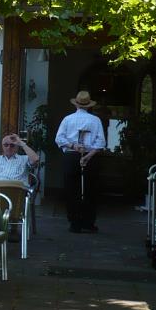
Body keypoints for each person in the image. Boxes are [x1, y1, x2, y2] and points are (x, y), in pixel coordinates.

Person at [55, 90, 105, 233]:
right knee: (91, 189)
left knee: (71, 189)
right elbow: (101, 142)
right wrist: (88, 155)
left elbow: (59, 138)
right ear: (89, 105)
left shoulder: (68, 119)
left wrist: (73, 146)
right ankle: (88, 222)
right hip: (91, 156)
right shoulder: (95, 120)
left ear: (76, 105)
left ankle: (74, 223)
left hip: (71, 155)